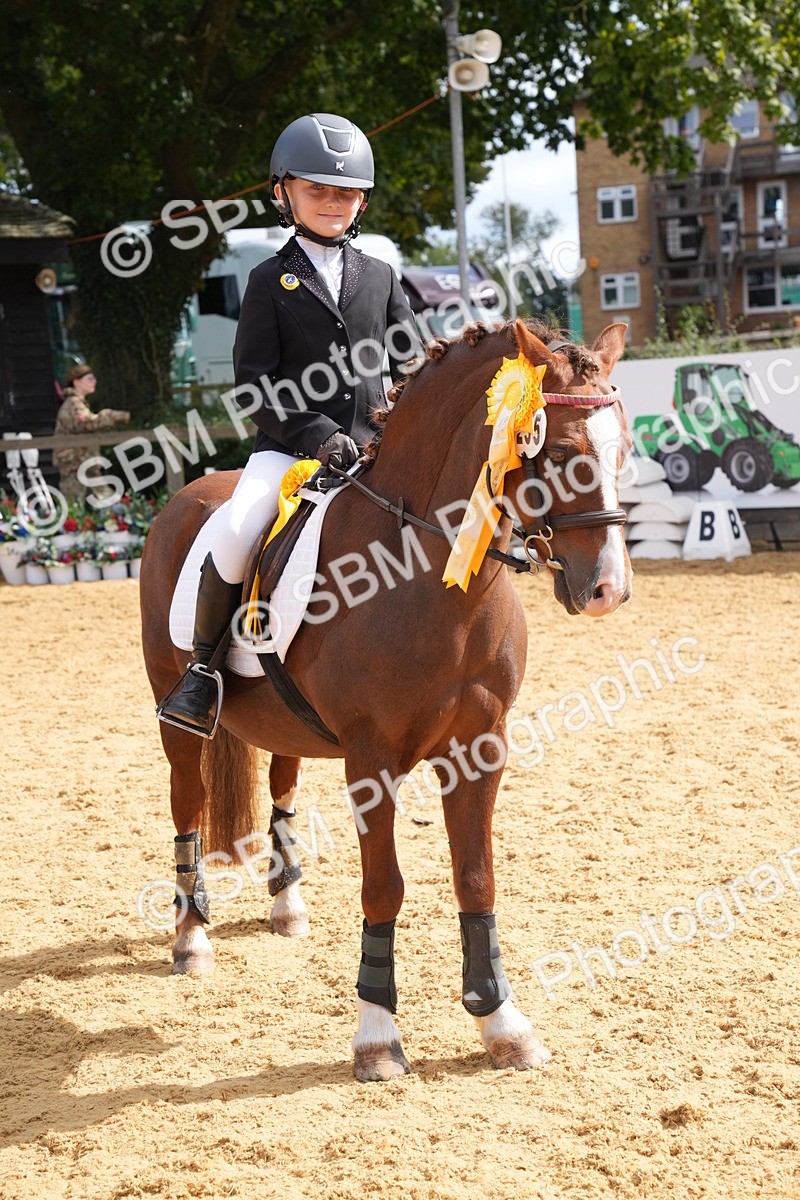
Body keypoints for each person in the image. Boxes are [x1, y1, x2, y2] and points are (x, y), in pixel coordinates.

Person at [159, 112, 418, 736]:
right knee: (236, 531)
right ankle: (203, 670)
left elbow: (413, 363)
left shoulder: (381, 277)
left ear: (362, 201)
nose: (334, 203)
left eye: (346, 192)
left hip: (372, 450)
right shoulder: (267, 281)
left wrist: (402, 424)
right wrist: (317, 436)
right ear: (283, 193)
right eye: (317, 190)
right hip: (289, 451)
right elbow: (254, 385)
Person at [54, 364, 130, 498]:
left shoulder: (78, 403)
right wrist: (113, 415)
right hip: (75, 464)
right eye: (89, 378)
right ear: (76, 381)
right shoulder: (73, 403)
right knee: (74, 503)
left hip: (84, 462)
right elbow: (87, 423)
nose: (94, 381)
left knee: (103, 499)